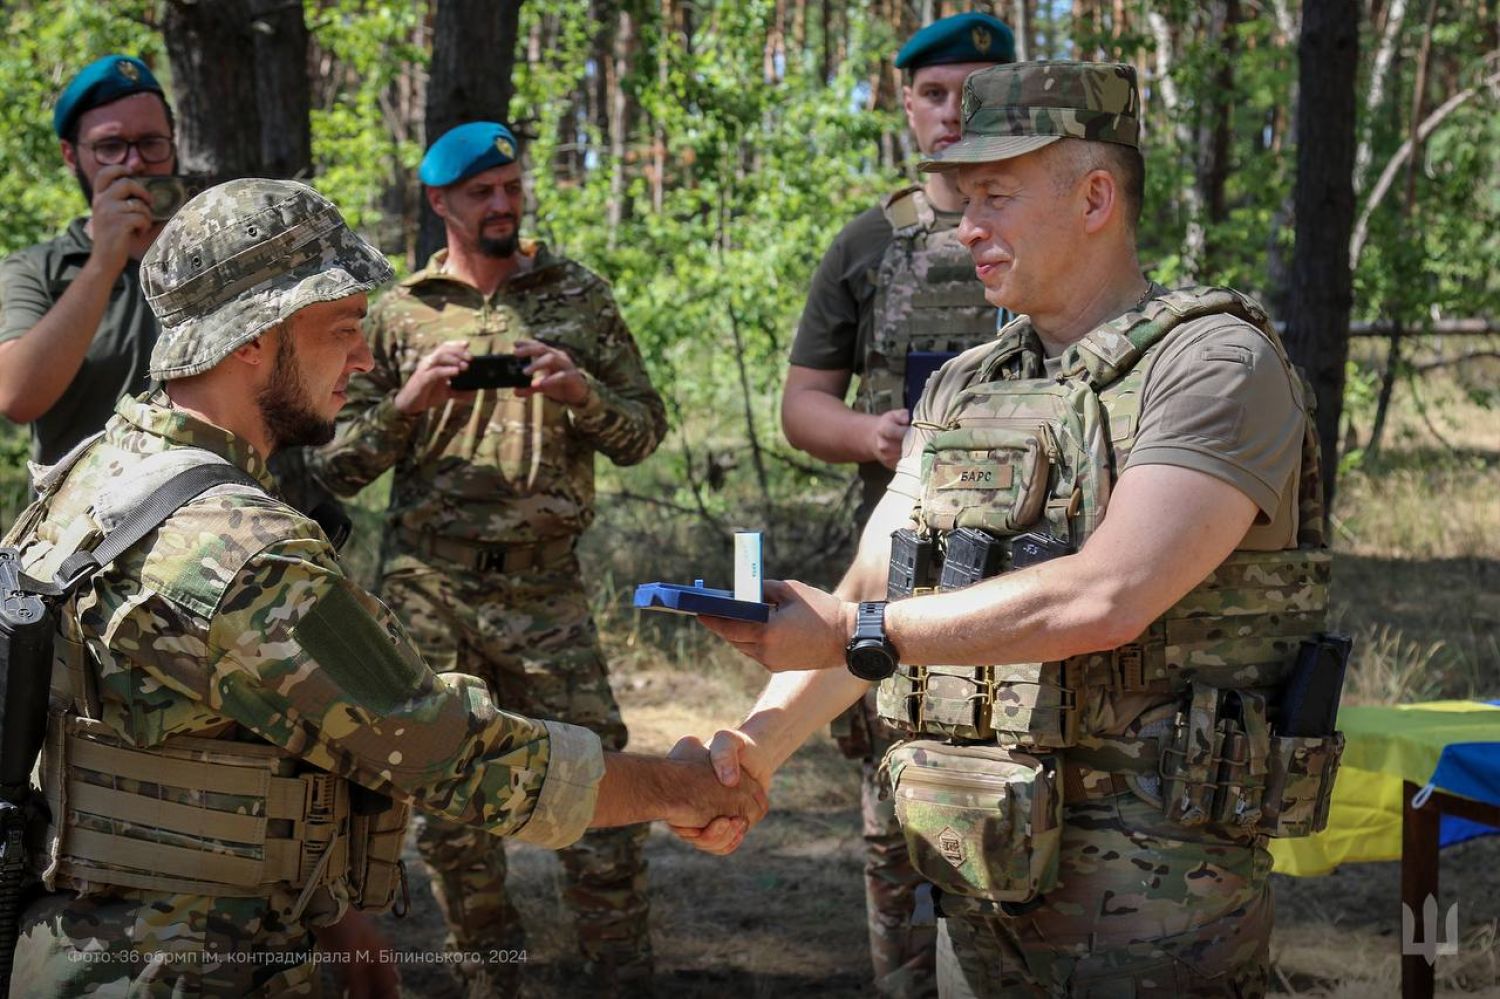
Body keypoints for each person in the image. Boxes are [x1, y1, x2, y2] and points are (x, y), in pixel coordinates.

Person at [3, 178, 764, 998]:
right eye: (341, 330)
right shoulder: (237, 551)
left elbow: (220, 749)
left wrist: (341, 923)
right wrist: (679, 786)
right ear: (252, 339)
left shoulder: (91, 475)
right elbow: (444, 748)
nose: (363, 356)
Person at [676, 62, 1338, 996]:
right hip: (976, 870)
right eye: (963, 195)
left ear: (1096, 196)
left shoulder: (1215, 364)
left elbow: (1107, 593)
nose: (966, 225)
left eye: (997, 194)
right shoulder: (964, 384)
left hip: (1154, 908)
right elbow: (872, 586)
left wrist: (863, 634)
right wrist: (752, 749)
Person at [312, 121, 669, 995]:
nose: (504, 204)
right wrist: (407, 401)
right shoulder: (396, 311)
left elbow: (644, 430)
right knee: (444, 801)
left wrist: (582, 393)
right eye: (483, 193)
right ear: (440, 202)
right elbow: (336, 464)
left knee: (601, 784)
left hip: (547, 587)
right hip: (429, 586)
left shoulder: (577, 293)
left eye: (512, 186)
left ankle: (620, 973)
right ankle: (488, 975)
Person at [782, 14, 1014, 996]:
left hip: (1035, 571)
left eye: (974, 90)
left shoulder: (1047, 229)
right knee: (898, 824)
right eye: (932, 92)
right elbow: (801, 404)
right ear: (902, 101)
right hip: (900, 563)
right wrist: (872, 436)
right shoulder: (869, 245)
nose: (952, 109)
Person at [0, 55, 174, 465]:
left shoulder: (223, 250)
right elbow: (16, 396)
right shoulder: (36, 269)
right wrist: (103, 263)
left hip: (216, 518)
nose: (134, 162)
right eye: (110, 147)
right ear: (70, 155)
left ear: (173, 141)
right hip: (84, 525)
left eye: (151, 142)